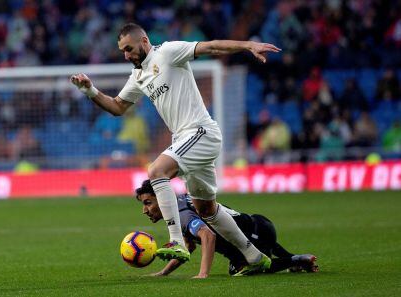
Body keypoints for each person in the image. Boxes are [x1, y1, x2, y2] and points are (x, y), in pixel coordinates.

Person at [70, 23, 281, 276]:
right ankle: (254, 256)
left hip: (201, 132)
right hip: (186, 140)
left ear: (144, 41)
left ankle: (176, 241)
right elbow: (117, 106)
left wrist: (248, 45)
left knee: (156, 170)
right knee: (207, 210)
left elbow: (211, 46)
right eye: (122, 51)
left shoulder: (168, 53)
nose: (126, 55)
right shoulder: (138, 76)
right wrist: (90, 90)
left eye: (129, 48)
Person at [135, 180, 318, 278]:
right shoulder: (182, 202)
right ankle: (297, 260)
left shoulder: (181, 213)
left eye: (148, 203)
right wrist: (163, 272)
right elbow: (188, 248)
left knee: (241, 267)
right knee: (242, 257)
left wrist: (203, 274)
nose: (144, 210)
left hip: (256, 232)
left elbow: (207, 236)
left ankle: (296, 260)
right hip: (259, 227)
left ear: (161, 198)